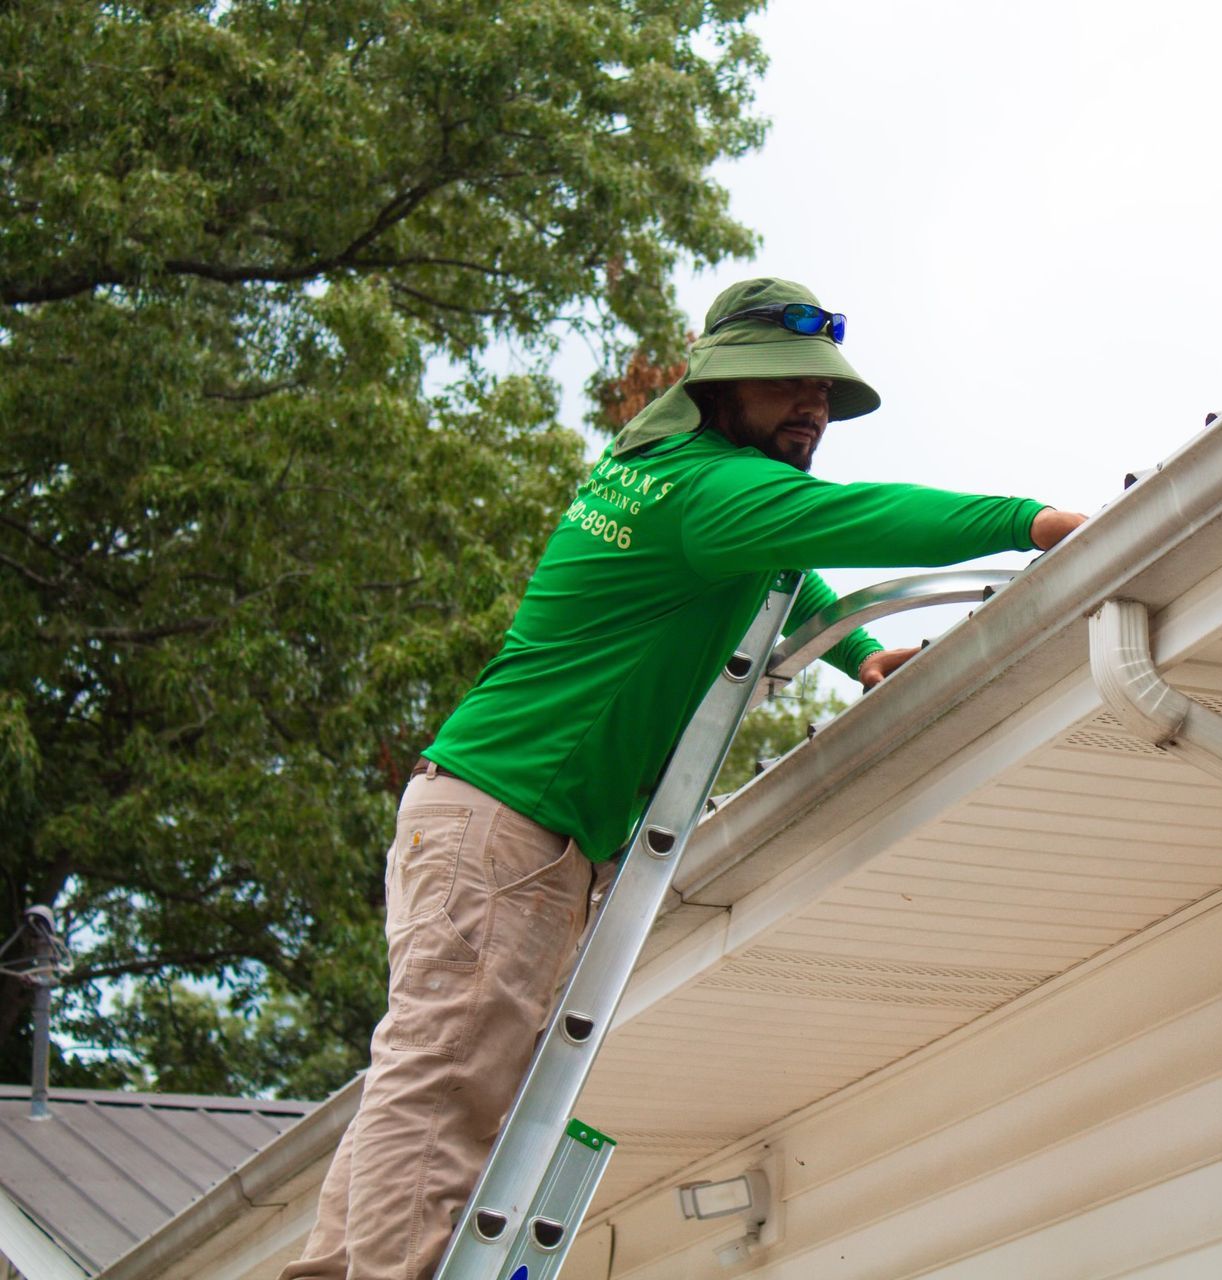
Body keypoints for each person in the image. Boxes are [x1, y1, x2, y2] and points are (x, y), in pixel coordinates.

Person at [282, 278, 1087, 1279]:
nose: (813, 407)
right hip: (513, 824)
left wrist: (859, 654)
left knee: (421, 1073)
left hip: (477, 810)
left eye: (826, 393)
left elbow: (783, 566)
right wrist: (1034, 519)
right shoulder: (713, 491)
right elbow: (859, 515)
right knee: (447, 1088)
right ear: (723, 385)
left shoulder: (668, 473)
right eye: (788, 384)